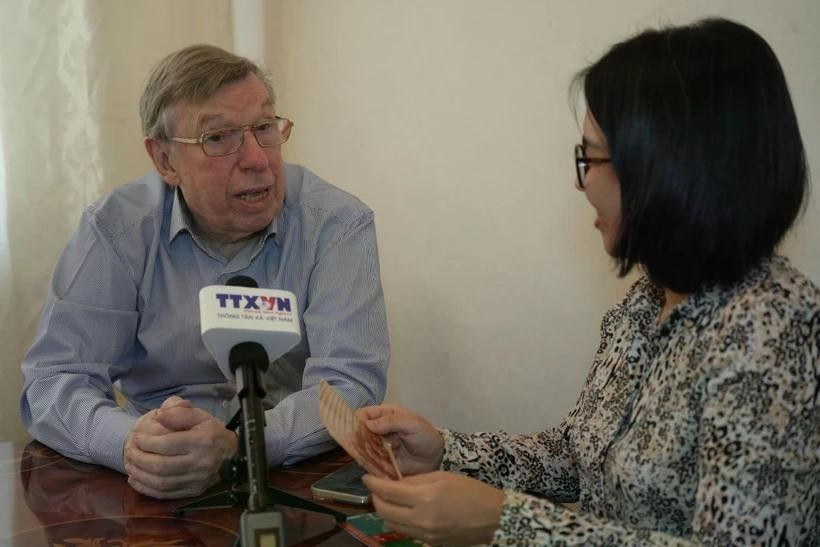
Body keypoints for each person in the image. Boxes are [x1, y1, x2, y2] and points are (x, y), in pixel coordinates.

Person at [359, 18, 818, 545]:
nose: (582, 184)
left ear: (667, 169)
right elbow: (579, 456)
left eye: (592, 158)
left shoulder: (772, 330)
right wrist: (445, 450)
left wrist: (504, 521)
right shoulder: (648, 301)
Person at [20, 44, 390, 500]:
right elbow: (54, 380)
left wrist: (244, 445)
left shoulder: (335, 223)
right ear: (165, 161)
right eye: (218, 138)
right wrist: (133, 443)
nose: (257, 158)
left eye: (263, 127)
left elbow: (350, 384)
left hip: (292, 473)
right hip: (157, 476)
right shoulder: (117, 229)